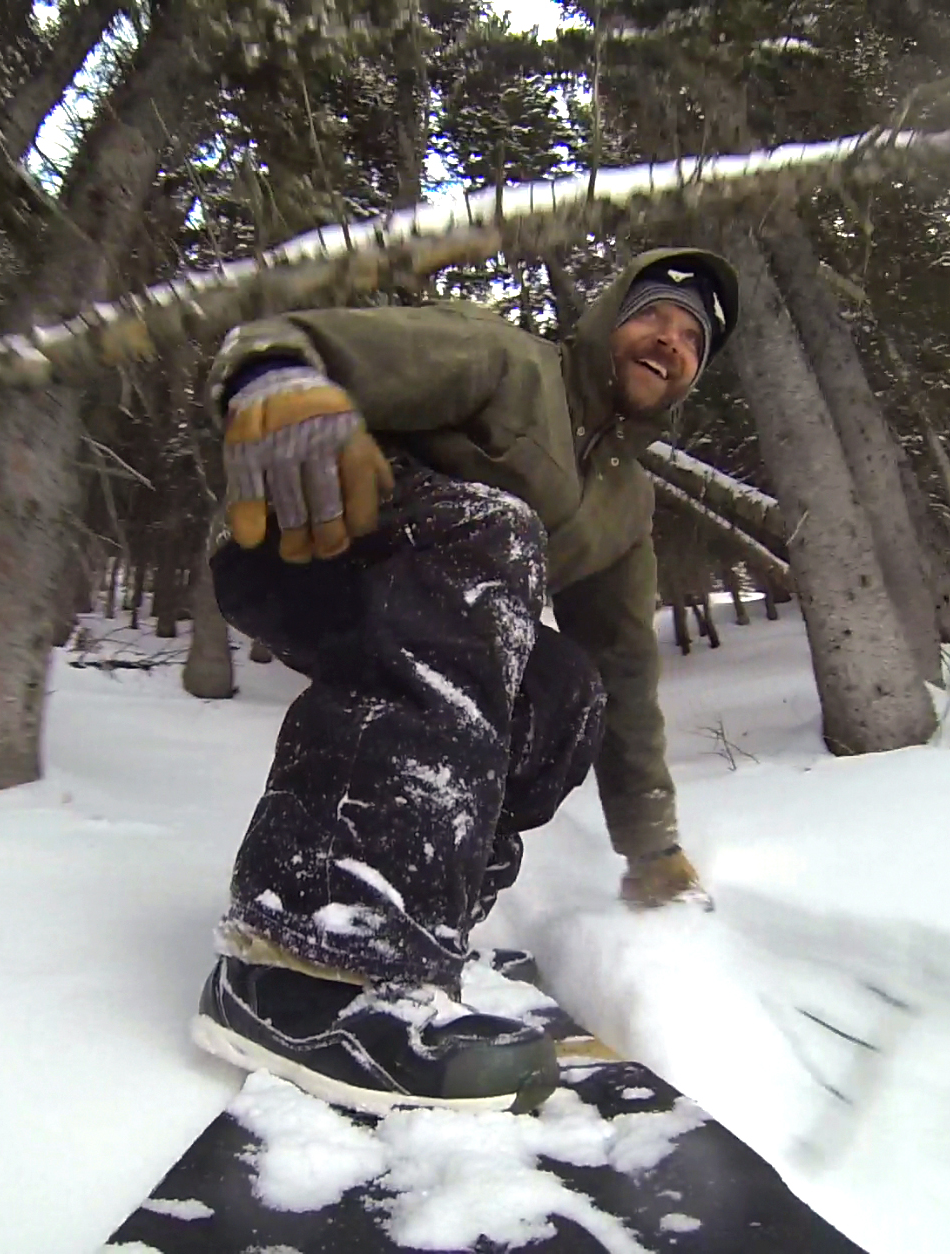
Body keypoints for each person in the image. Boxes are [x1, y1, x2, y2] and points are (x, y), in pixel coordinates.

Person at [190, 248, 740, 1115]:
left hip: (437, 592)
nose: (668, 344)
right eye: (654, 318)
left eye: (690, 342)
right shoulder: (506, 361)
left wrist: (652, 845)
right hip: (305, 524)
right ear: (608, 322)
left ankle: (423, 926)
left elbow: (628, 677)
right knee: (494, 534)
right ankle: (303, 961)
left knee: (568, 687)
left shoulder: (625, 504)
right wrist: (275, 386)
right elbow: (293, 341)